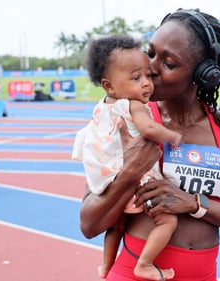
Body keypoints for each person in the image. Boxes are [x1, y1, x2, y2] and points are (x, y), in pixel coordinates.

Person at [79, 8, 220, 281]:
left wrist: (193, 204)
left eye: (168, 63)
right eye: (151, 53)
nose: (151, 69)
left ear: (203, 75)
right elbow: (88, 223)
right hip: (134, 274)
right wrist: (131, 171)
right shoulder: (126, 120)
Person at [72, 35, 183, 280]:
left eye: (147, 76)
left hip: (110, 175)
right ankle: (145, 263)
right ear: (109, 85)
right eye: (136, 78)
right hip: (139, 176)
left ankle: (105, 266)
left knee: (116, 225)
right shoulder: (133, 105)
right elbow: (149, 130)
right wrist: (173, 136)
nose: (146, 84)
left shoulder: (101, 106)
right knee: (167, 221)